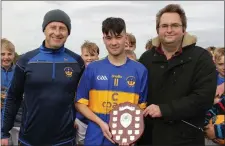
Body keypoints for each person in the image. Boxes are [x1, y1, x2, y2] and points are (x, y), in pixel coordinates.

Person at [1, 9, 84, 146]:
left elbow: (83, 97)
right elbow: (13, 97)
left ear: (68, 32)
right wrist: (4, 132)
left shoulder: (77, 62)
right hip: (30, 139)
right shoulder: (26, 60)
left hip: (64, 139)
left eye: (62, 28)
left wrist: (79, 118)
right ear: (44, 29)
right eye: (53, 27)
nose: (57, 33)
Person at [138, 4, 217, 146]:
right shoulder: (146, 58)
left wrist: (164, 110)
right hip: (150, 138)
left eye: (174, 25)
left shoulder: (201, 58)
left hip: (187, 138)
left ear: (183, 29)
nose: (169, 30)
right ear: (158, 30)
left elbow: (203, 98)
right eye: (164, 26)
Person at [75, 17, 148, 146]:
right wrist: (101, 123)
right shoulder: (93, 68)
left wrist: (129, 134)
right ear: (103, 39)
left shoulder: (140, 70)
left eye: (118, 37)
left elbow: (141, 109)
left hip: (125, 142)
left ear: (125, 38)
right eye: (109, 38)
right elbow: (80, 103)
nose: (113, 42)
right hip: (95, 139)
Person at [75, 40, 100, 145]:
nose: (89, 58)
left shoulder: (102, 72)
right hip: (80, 119)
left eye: (92, 55)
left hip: (97, 119)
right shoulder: (76, 73)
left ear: (98, 56)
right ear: (81, 56)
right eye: (86, 55)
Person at [1, 38, 22, 146]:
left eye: (9, 54)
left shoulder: (19, 72)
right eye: (2, 54)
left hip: (17, 120)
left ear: (14, 55)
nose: (6, 57)